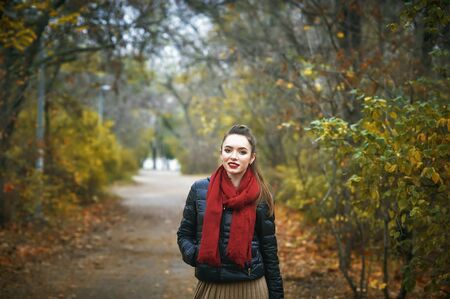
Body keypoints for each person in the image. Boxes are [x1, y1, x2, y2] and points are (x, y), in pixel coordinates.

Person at [177, 124, 284, 299]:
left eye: (242, 152)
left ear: (251, 158)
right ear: (221, 153)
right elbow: (184, 234)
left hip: (251, 288)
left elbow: (269, 252)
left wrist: (277, 295)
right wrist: (196, 255)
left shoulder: (261, 196)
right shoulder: (199, 189)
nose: (233, 156)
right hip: (210, 287)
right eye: (228, 150)